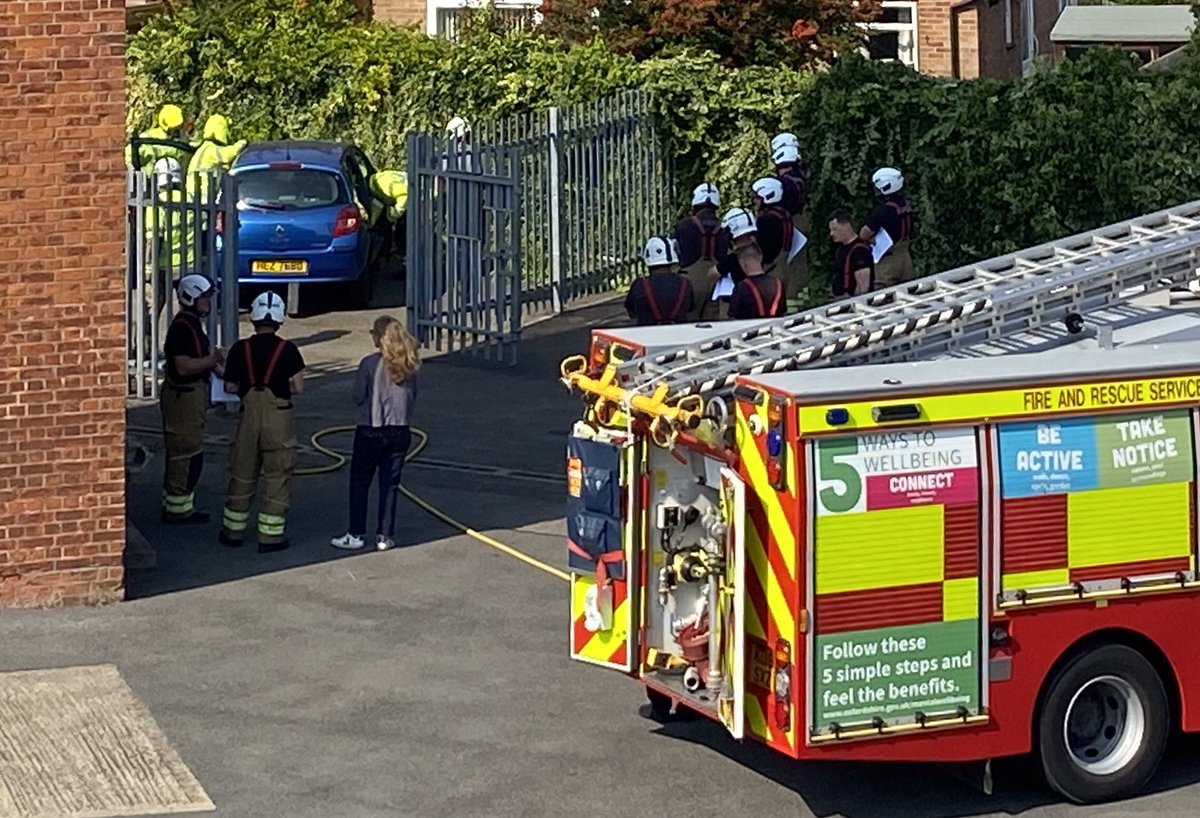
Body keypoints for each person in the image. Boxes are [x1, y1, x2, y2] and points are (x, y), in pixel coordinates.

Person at [218, 291, 306, 552]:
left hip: (249, 415)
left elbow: (231, 387)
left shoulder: (240, 349)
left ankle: (232, 533)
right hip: (278, 415)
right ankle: (270, 538)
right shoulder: (288, 350)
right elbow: (299, 387)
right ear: (279, 320)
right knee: (277, 474)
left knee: (242, 471)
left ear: (254, 319)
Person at [331, 316, 421, 552]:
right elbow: (414, 396)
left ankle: (356, 533)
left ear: (380, 338)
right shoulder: (410, 363)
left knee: (360, 481)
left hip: (371, 428)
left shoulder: (370, 364)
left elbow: (358, 395)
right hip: (401, 430)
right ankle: (385, 536)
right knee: (390, 484)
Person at [160, 275, 224, 524]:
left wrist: (217, 369)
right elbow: (184, 366)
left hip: (189, 395)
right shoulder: (182, 329)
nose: (208, 302)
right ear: (192, 298)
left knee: (188, 451)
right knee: (185, 453)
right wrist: (214, 361)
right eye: (205, 297)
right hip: (183, 398)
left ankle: (177, 503)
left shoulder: (192, 325)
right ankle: (178, 509)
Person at [673, 183, 727, 320]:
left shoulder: (684, 225)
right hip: (717, 281)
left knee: (688, 323)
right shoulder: (724, 226)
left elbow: (676, 253)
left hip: (690, 281)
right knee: (713, 326)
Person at [860, 167, 916, 288]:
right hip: (906, 257)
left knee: (884, 298)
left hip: (888, 260)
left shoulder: (883, 211)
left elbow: (864, 234)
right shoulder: (906, 206)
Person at [772, 134, 811, 306]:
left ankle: (788, 303)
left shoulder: (784, 184)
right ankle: (801, 301)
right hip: (801, 222)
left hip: (787, 225)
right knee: (799, 266)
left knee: (785, 265)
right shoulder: (801, 178)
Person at [624, 236, 694, 326]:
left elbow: (631, 312)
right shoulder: (685, 284)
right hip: (680, 335)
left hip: (646, 335)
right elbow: (690, 310)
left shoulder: (639, 285)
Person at [186, 114, 248, 203]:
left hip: (193, 193)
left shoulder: (203, 148)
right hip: (203, 194)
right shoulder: (211, 149)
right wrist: (241, 144)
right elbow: (227, 156)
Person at [750, 177, 795, 284]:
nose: (755, 201)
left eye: (757, 198)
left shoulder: (766, 219)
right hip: (786, 264)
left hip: (770, 268)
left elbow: (761, 245)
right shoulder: (785, 214)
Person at [727, 241, 785, 320]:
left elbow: (733, 317)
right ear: (760, 257)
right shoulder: (778, 284)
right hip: (776, 329)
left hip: (750, 330)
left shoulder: (741, 287)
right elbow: (783, 310)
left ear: (742, 262)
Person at [126, 103, 188, 173]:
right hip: (149, 179)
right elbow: (128, 156)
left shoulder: (182, 141)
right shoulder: (147, 138)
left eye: (177, 128)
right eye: (173, 129)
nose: (175, 132)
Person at [829, 209, 876, 298]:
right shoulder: (841, 249)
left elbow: (863, 286)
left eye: (835, 229)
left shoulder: (859, 251)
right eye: (830, 230)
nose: (831, 233)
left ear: (847, 226)